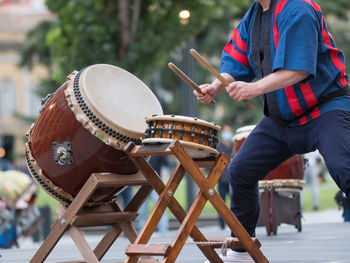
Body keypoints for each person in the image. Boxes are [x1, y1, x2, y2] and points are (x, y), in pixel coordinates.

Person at [194, 0, 350, 261]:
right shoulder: (253, 17)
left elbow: (299, 69)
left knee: (344, 167)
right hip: (281, 119)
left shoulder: (298, 8)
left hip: (324, 109)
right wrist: (215, 86)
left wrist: (253, 89)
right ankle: (241, 248)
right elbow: (235, 64)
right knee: (240, 171)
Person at [137, 155, 169, 236]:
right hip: (143, 183)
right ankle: (141, 233)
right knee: (142, 211)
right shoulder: (140, 149)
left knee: (160, 208)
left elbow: (165, 164)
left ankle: (163, 232)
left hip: (156, 183)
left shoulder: (156, 148)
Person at [216, 123, 234, 229]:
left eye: (229, 131)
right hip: (221, 181)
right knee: (221, 205)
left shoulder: (234, 147)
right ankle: (222, 226)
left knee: (234, 204)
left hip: (232, 181)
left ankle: (233, 225)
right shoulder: (218, 148)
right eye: (225, 131)